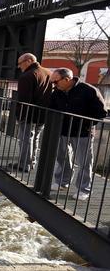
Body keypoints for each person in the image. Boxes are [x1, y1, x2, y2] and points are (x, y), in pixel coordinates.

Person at [49, 68, 107, 201]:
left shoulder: (88, 90)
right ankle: (62, 182)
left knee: (84, 162)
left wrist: (86, 124)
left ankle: (84, 189)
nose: (54, 85)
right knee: (61, 157)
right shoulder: (57, 92)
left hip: (82, 132)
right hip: (62, 130)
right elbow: (51, 108)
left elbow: (101, 112)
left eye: (55, 82)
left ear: (66, 80)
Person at [11, 53, 52, 173]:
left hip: (28, 114)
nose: (19, 66)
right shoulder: (48, 73)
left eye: (20, 63)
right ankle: (31, 162)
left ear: (28, 61)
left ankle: (24, 165)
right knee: (35, 138)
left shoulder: (27, 76)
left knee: (25, 139)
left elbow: (24, 99)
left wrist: (20, 116)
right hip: (43, 114)